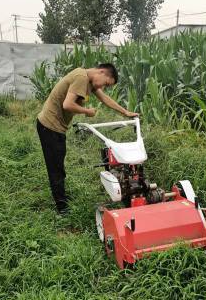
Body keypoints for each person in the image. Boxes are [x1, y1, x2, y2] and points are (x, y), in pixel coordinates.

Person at [36, 63, 139, 214]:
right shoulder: (81, 78)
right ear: (102, 72)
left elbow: (105, 99)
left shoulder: (88, 79)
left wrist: (126, 112)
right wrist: (87, 111)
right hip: (50, 127)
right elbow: (67, 104)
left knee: (58, 164)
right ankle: (62, 209)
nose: (103, 87)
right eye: (106, 83)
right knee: (55, 168)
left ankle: (62, 197)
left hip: (55, 127)